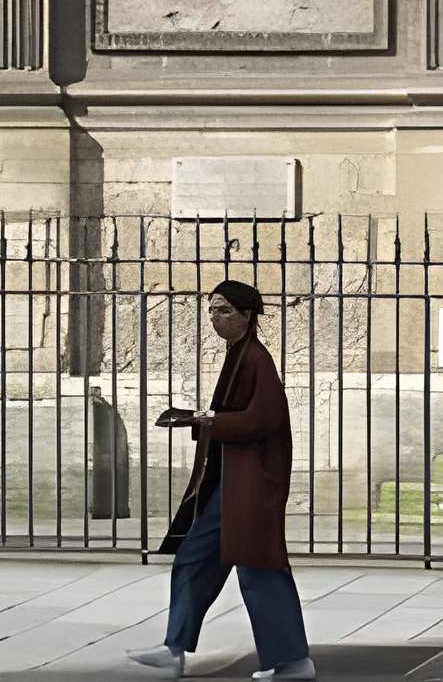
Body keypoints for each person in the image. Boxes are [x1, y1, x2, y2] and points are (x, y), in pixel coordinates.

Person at [134, 280, 312, 682]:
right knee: (194, 558)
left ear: (247, 316)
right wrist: (204, 420)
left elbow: (262, 419)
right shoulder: (238, 354)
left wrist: (206, 419)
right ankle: (174, 649)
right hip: (230, 486)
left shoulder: (256, 359)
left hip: (251, 488)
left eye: (225, 310)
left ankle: (293, 662)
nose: (215, 318)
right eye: (212, 310)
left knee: (259, 570)